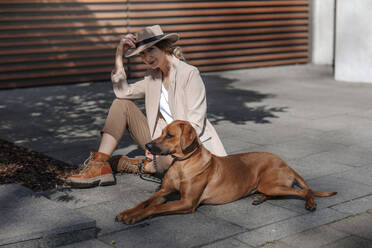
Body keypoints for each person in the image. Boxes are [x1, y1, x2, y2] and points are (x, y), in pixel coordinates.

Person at [66, 25, 226, 188]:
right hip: (161, 140)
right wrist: (119, 54)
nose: (146, 57)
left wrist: (160, 146)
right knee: (121, 104)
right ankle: (99, 165)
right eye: (142, 53)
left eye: (151, 50)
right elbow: (123, 93)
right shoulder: (152, 76)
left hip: (189, 145)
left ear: (164, 47)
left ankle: (144, 166)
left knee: (172, 166)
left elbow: (194, 126)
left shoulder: (189, 74)